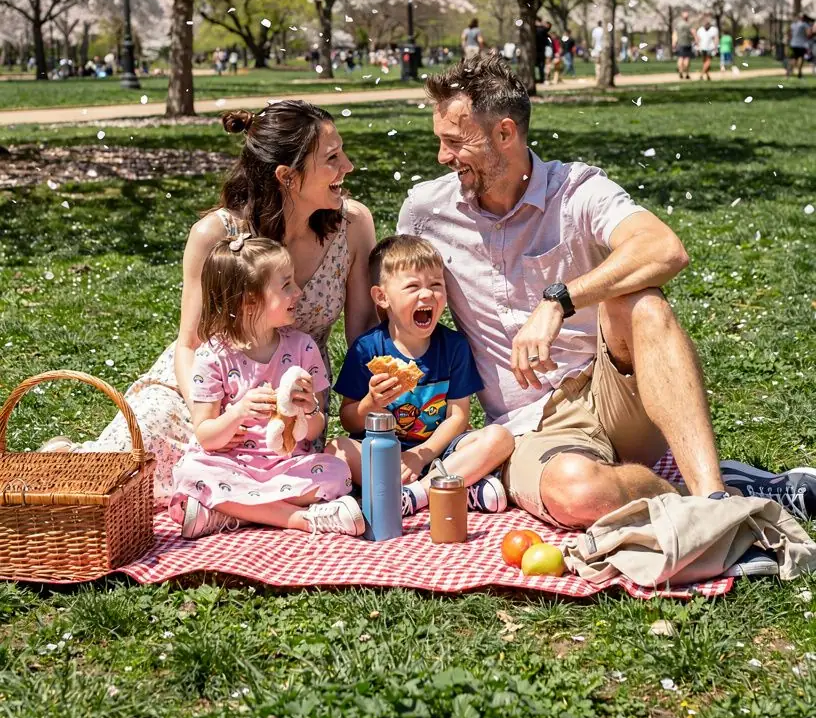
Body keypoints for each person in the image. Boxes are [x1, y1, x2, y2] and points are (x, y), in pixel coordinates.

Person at [396, 54, 816, 542]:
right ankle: (717, 493)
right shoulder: (426, 213)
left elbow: (665, 248)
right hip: (532, 428)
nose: (443, 157)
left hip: (614, 395)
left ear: (505, 134)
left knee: (641, 302)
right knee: (578, 496)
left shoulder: (577, 191)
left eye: (454, 142)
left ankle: (713, 504)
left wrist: (558, 301)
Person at [43, 101, 377, 505]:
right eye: (332, 158)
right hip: (202, 390)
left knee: (263, 488)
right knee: (117, 484)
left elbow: (365, 342)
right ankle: (65, 459)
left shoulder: (353, 226)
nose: (349, 166)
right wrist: (212, 417)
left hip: (289, 403)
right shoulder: (215, 234)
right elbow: (189, 344)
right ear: (287, 177)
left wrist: (355, 408)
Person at [170, 236, 363, 540]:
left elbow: (313, 430)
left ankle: (229, 513)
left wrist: (309, 409)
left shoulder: (303, 348)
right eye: (286, 285)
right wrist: (238, 413)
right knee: (191, 472)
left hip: (288, 466)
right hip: (231, 466)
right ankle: (300, 519)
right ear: (250, 301)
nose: (298, 292)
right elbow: (206, 436)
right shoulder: (213, 356)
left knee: (337, 473)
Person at [335, 235, 513, 516]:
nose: (428, 294)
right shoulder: (367, 350)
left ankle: (414, 495)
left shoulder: (454, 347)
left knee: (499, 437)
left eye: (435, 285)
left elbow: (458, 417)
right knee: (336, 448)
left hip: (439, 450)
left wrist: (422, 456)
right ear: (382, 297)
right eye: (413, 286)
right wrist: (371, 403)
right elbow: (347, 418)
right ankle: (456, 488)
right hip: (382, 453)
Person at [696, 16, 718, 81]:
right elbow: (698, 39)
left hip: (710, 48)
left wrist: (716, 47)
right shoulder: (700, 30)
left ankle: (701, 74)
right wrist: (697, 47)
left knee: (708, 62)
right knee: (705, 62)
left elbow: (715, 39)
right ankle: (707, 75)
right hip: (702, 48)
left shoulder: (713, 29)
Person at [789, 14, 811, 78]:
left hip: (793, 44)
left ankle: (790, 72)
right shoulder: (804, 24)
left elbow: (790, 34)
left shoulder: (793, 25)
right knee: (801, 57)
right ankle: (799, 72)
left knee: (794, 58)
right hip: (801, 44)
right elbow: (808, 34)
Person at [674, 12, 694, 79]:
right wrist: (696, 40)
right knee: (687, 58)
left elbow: (675, 34)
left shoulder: (678, 24)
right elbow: (693, 32)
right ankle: (687, 73)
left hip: (680, 44)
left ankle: (680, 71)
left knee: (680, 58)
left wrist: (674, 43)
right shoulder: (689, 24)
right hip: (687, 43)